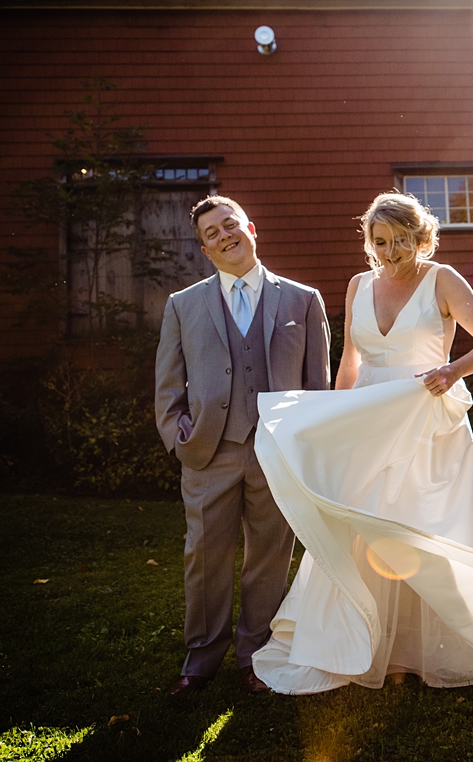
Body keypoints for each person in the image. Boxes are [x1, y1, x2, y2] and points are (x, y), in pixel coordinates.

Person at [251, 191, 473, 694]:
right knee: (363, 530)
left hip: (426, 421)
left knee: (421, 529)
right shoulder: (359, 284)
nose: (390, 252)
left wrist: (453, 370)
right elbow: (352, 363)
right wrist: (334, 416)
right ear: (368, 241)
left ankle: (438, 649)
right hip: (370, 422)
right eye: (380, 241)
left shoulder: (443, 279)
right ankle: (370, 646)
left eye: (401, 241)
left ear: (422, 239)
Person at [154, 194, 331, 695]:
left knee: (270, 557)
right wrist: (179, 436)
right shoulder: (183, 305)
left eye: (230, 225)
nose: (224, 236)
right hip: (210, 451)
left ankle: (258, 658)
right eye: (212, 234)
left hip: (277, 453)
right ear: (205, 250)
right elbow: (168, 384)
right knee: (204, 557)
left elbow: (317, 385)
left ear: (250, 227)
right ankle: (200, 661)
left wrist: (305, 445)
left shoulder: (302, 299)